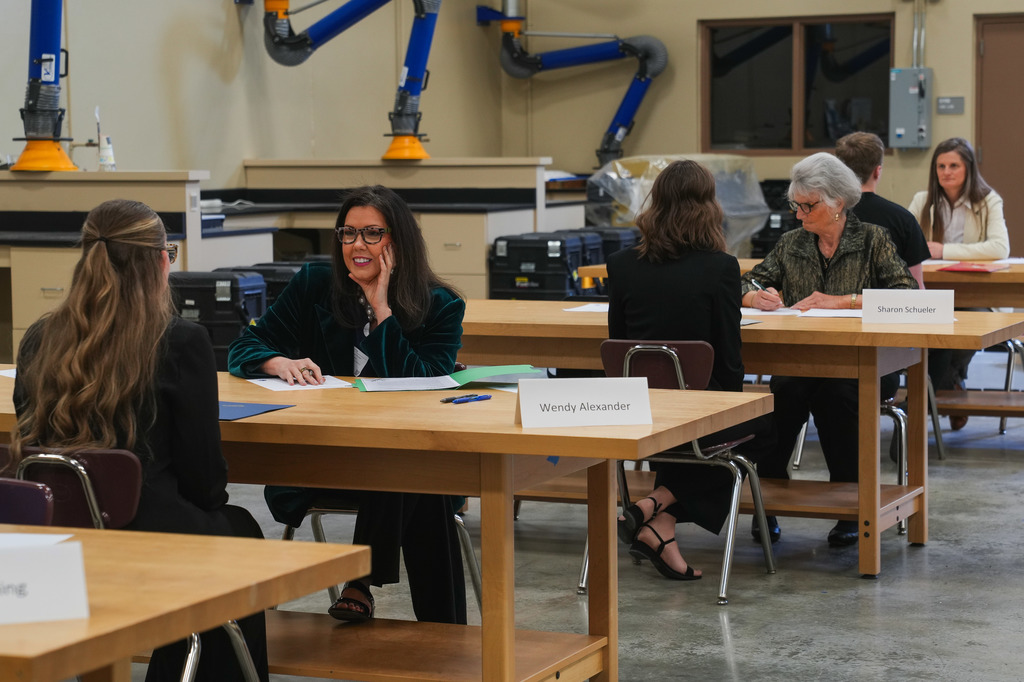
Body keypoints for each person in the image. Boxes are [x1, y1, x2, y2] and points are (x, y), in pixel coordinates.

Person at [7, 199, 269, 682]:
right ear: (159, 261)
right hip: (144, 539)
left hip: (55, 539)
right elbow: (205, 481)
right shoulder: (180, 341)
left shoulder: (40, 336)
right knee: (241, 534)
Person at [227, 184, 467, 625]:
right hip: (324, 456)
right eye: (348, 233)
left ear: (398, 241)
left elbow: (425, 383)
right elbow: (243, 346)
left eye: (372, 233)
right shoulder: (315, 285)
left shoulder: (441, 305)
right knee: (423, 483)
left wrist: (382, 309)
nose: (357, 245)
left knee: (407, 463)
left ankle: (361, 582)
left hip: (399, 459)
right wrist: (277, 361)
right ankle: (446, 635)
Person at [607, 159, 776, 580]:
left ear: (655, 204)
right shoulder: (720, 268)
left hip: (639, 410)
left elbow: (619, 340)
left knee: (683, 426)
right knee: (767, 422)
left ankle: (657, 517)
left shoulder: (623, 265)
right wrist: (732, 402)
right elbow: (729, 355)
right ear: (708, 207)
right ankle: (657, 504)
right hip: (696, 409)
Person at [741, 153, 917, 547]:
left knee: (839, 397)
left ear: (838, 202)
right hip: (804, 361)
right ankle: (766, 500)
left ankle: (850, 506)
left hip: (866, 364)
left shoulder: (873, 239)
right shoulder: (791, 244)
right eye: (796, 206)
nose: (799, 215)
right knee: (781, 395)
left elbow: (907, 295)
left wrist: (844, 301)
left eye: (808, 206)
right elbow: (746, 283)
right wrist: (757, 298)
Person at [908, 137, 1010, 428]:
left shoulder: (988, 200)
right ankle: (950, 387)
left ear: (968, 169)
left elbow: (999, 248)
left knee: (970, 325)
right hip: (929, 293)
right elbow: (901, 241)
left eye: (954, 165)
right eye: (940, 166)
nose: (946, 172)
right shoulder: (921, 200)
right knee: (930, 325)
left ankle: (947, 384)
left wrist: (943, 251)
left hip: (974, 294)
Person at [836, 131, 930, 289]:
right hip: (888, 310)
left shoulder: (823, 216)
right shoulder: (903, 219)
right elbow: (916, 287)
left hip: (828, 309)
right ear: (877, 171)